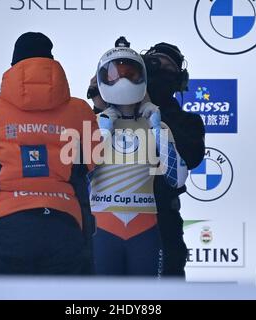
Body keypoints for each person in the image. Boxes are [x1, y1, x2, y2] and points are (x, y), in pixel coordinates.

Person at [0, 32, 98, 276]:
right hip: (64, 223)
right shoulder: (80, 110)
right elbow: (93, 161)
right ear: (52, 62)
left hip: (7, 225)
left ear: (14, 65)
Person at [88, 41, 205, 278]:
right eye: (154, 64)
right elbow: (81, 171)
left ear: (178, 79)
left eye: (168, 67)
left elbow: (181, 173)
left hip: (160, 221)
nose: (125, 81)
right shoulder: (98, 120)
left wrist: (159, 125)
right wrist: (102, 114)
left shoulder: (182, 122)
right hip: (103, 225)